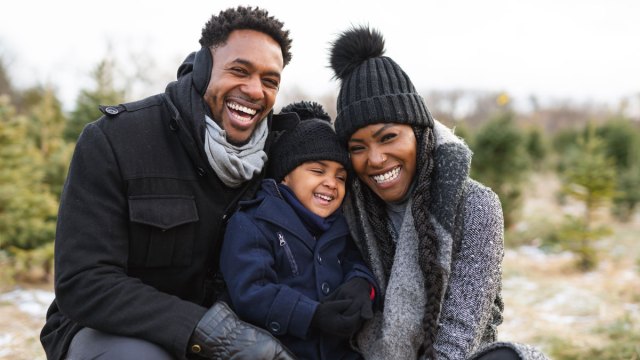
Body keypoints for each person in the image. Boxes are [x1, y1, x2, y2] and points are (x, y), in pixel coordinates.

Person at [40, 6, 299, 360]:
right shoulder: (116, 139)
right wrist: (211, 332)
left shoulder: (276, 157)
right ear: (204, 66)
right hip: (110, 332)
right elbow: (84, 282)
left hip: (233, 342)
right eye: (239, 70)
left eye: (270, 81)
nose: (255, 90)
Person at [328, 26, 550, 360]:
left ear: (419, 134)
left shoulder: (475, 205)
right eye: (358, 147)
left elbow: (460, 334)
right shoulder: (350, 209)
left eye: (388, 137)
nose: (375, 159)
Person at [220, 101, 378, 360]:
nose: (331, 183)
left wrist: (362, 285)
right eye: (317, 171)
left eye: (341, 177)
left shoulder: (341, 224)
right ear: (285, 176)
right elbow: (251, 292)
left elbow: (357, 262)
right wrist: (312, 315)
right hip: (276, 352)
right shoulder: (253, 223)